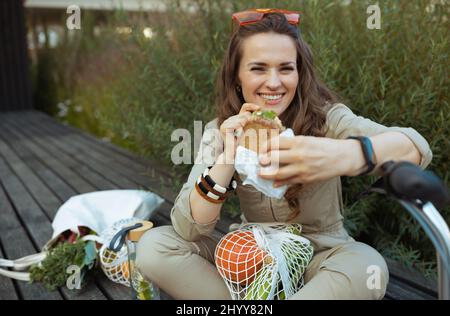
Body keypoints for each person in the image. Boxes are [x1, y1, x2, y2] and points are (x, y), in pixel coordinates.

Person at [136, 9, 432, 300]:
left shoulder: (329, 119)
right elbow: (187, 227)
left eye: (286, 68)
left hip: (320, 258)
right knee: (153, 248)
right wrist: (228, 156)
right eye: (258, 68)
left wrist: (347, 154)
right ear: (237, 76)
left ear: (299, 72)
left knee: (368, 267)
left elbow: (415, 148)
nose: (274, 82)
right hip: (251, 258)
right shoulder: (222, 129)